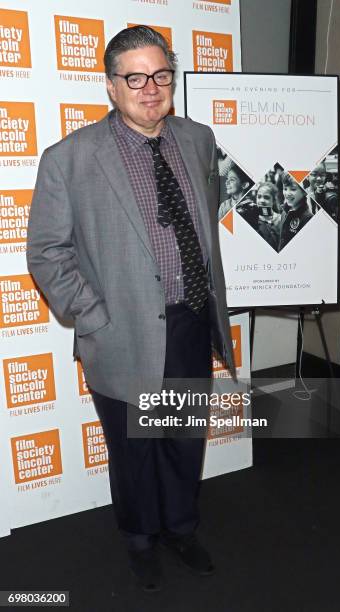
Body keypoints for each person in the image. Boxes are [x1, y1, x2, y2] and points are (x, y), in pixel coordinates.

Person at [26, 26, 235, 592]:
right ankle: (140, 539)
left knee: (182, 436)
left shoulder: (198, 139)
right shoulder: (70, 158)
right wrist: (93, 317)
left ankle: (181, 528)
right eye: (135, 77)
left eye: (161, 75)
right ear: (111, 85)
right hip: (120, 331)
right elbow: (46, 252)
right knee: (135, 447)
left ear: (172, 77)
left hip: (191, 320)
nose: (151, 89)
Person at [237, 182, 281, 251]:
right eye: (259, 196)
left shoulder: (282, 219)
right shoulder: (251, 219)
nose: (261, 201)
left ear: (274, 201)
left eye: (266, 197)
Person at [278, 172, 313, 251]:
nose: (287, 193)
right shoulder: (284, 212)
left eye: (293, 189)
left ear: (304, 191)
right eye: (285, 189)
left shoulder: (308, 218)